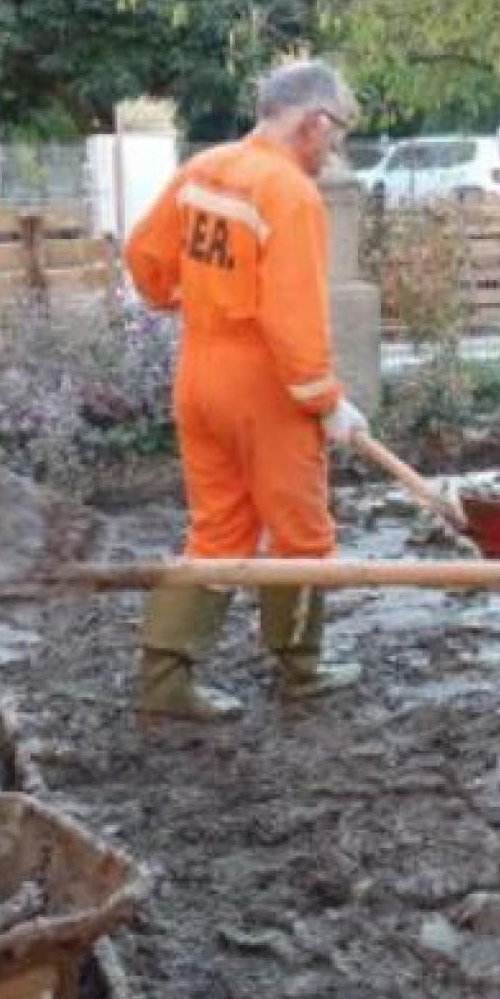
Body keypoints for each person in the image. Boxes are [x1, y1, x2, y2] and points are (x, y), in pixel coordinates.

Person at [124, 60, 370, 721]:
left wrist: (188, 300)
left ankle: (164, 680)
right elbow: (293, 319)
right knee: (302, 534)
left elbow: (144, 257)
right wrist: (325, 401)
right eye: (337, 131)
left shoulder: (203, 169)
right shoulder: (288, 193)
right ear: (314, 122)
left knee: (217, 530)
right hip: (265, 386)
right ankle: (300, 670)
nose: (334, 148)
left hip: (199, 371)